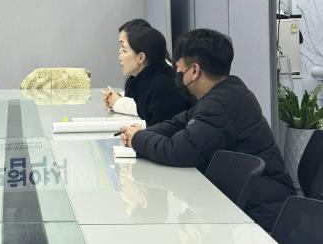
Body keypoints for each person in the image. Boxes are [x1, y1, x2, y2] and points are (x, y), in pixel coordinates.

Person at [120, 28, 295, 232]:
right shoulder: (226, 92)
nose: (176, 75)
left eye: (179, 69)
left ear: (194, 70)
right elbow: (178, 123)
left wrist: (137, 138)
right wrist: (140, 132)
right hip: (245, 202)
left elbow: (178, 152)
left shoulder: (221, 104)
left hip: (261, 214)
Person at [104, 23, 193, 125]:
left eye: (124, 51)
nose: (120, 57)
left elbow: (163, 131)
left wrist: (138, 133)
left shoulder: (163, 87)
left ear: (141, 57)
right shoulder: (141, 79)